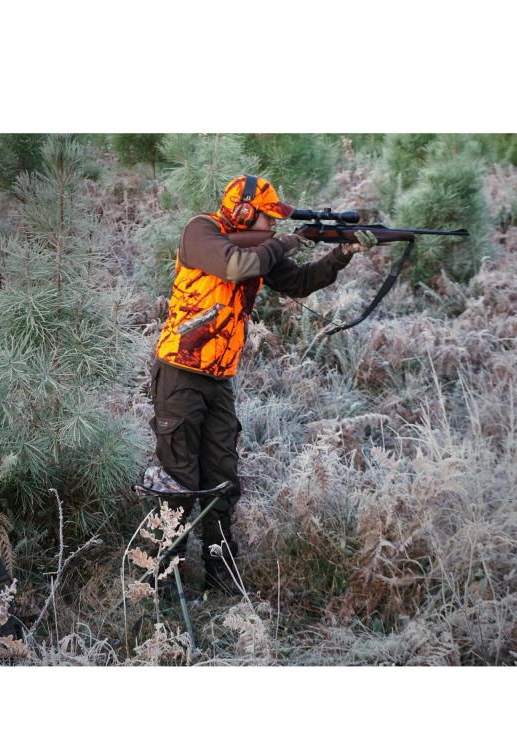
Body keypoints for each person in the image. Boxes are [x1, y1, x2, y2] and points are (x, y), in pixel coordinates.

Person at [149, 174, 377, 594]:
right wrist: (291, 241)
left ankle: (220, 573)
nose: (272, 226)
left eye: (276, 222)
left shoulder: (259, 248)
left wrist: (342, 253)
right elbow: (237, 266)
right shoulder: (201, 231)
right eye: (266, 219)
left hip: (219, 379)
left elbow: (300, 283)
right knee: (178, 481)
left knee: (222, 481)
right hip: (180, 374)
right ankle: (167, 580)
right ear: (242, 212)